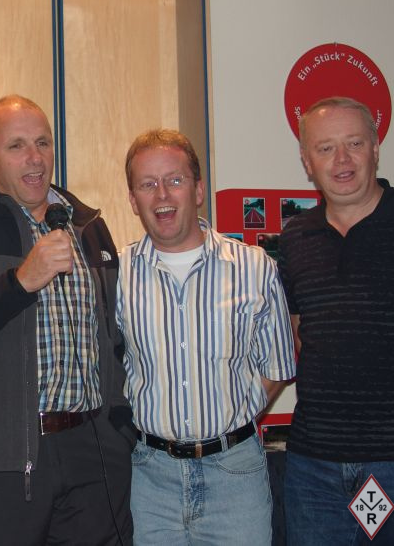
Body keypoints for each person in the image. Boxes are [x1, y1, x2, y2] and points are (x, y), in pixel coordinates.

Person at [0, 95, 133, 545]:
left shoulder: (89, 227)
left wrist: (119, 430)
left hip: (93, 456)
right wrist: (19, 283)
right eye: (15, 146)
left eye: (42, 143)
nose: (34, 158)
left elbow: (115, 341)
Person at [117, 129, 295, 545]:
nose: (162, 194)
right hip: (149, 479)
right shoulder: (118, 274)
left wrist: (235, 414)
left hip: (235, 475)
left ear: (198, 190)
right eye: (147, 184)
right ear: (133, 199)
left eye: (175, 180)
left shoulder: (254, 268)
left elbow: (277, 366)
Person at [278, 97, 394, 545]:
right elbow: (296, 337)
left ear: (375, 148)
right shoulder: (295, 237)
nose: (342, 160)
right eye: (326, 148)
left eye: (354, 143)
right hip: (313, 468)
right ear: (306, 161)